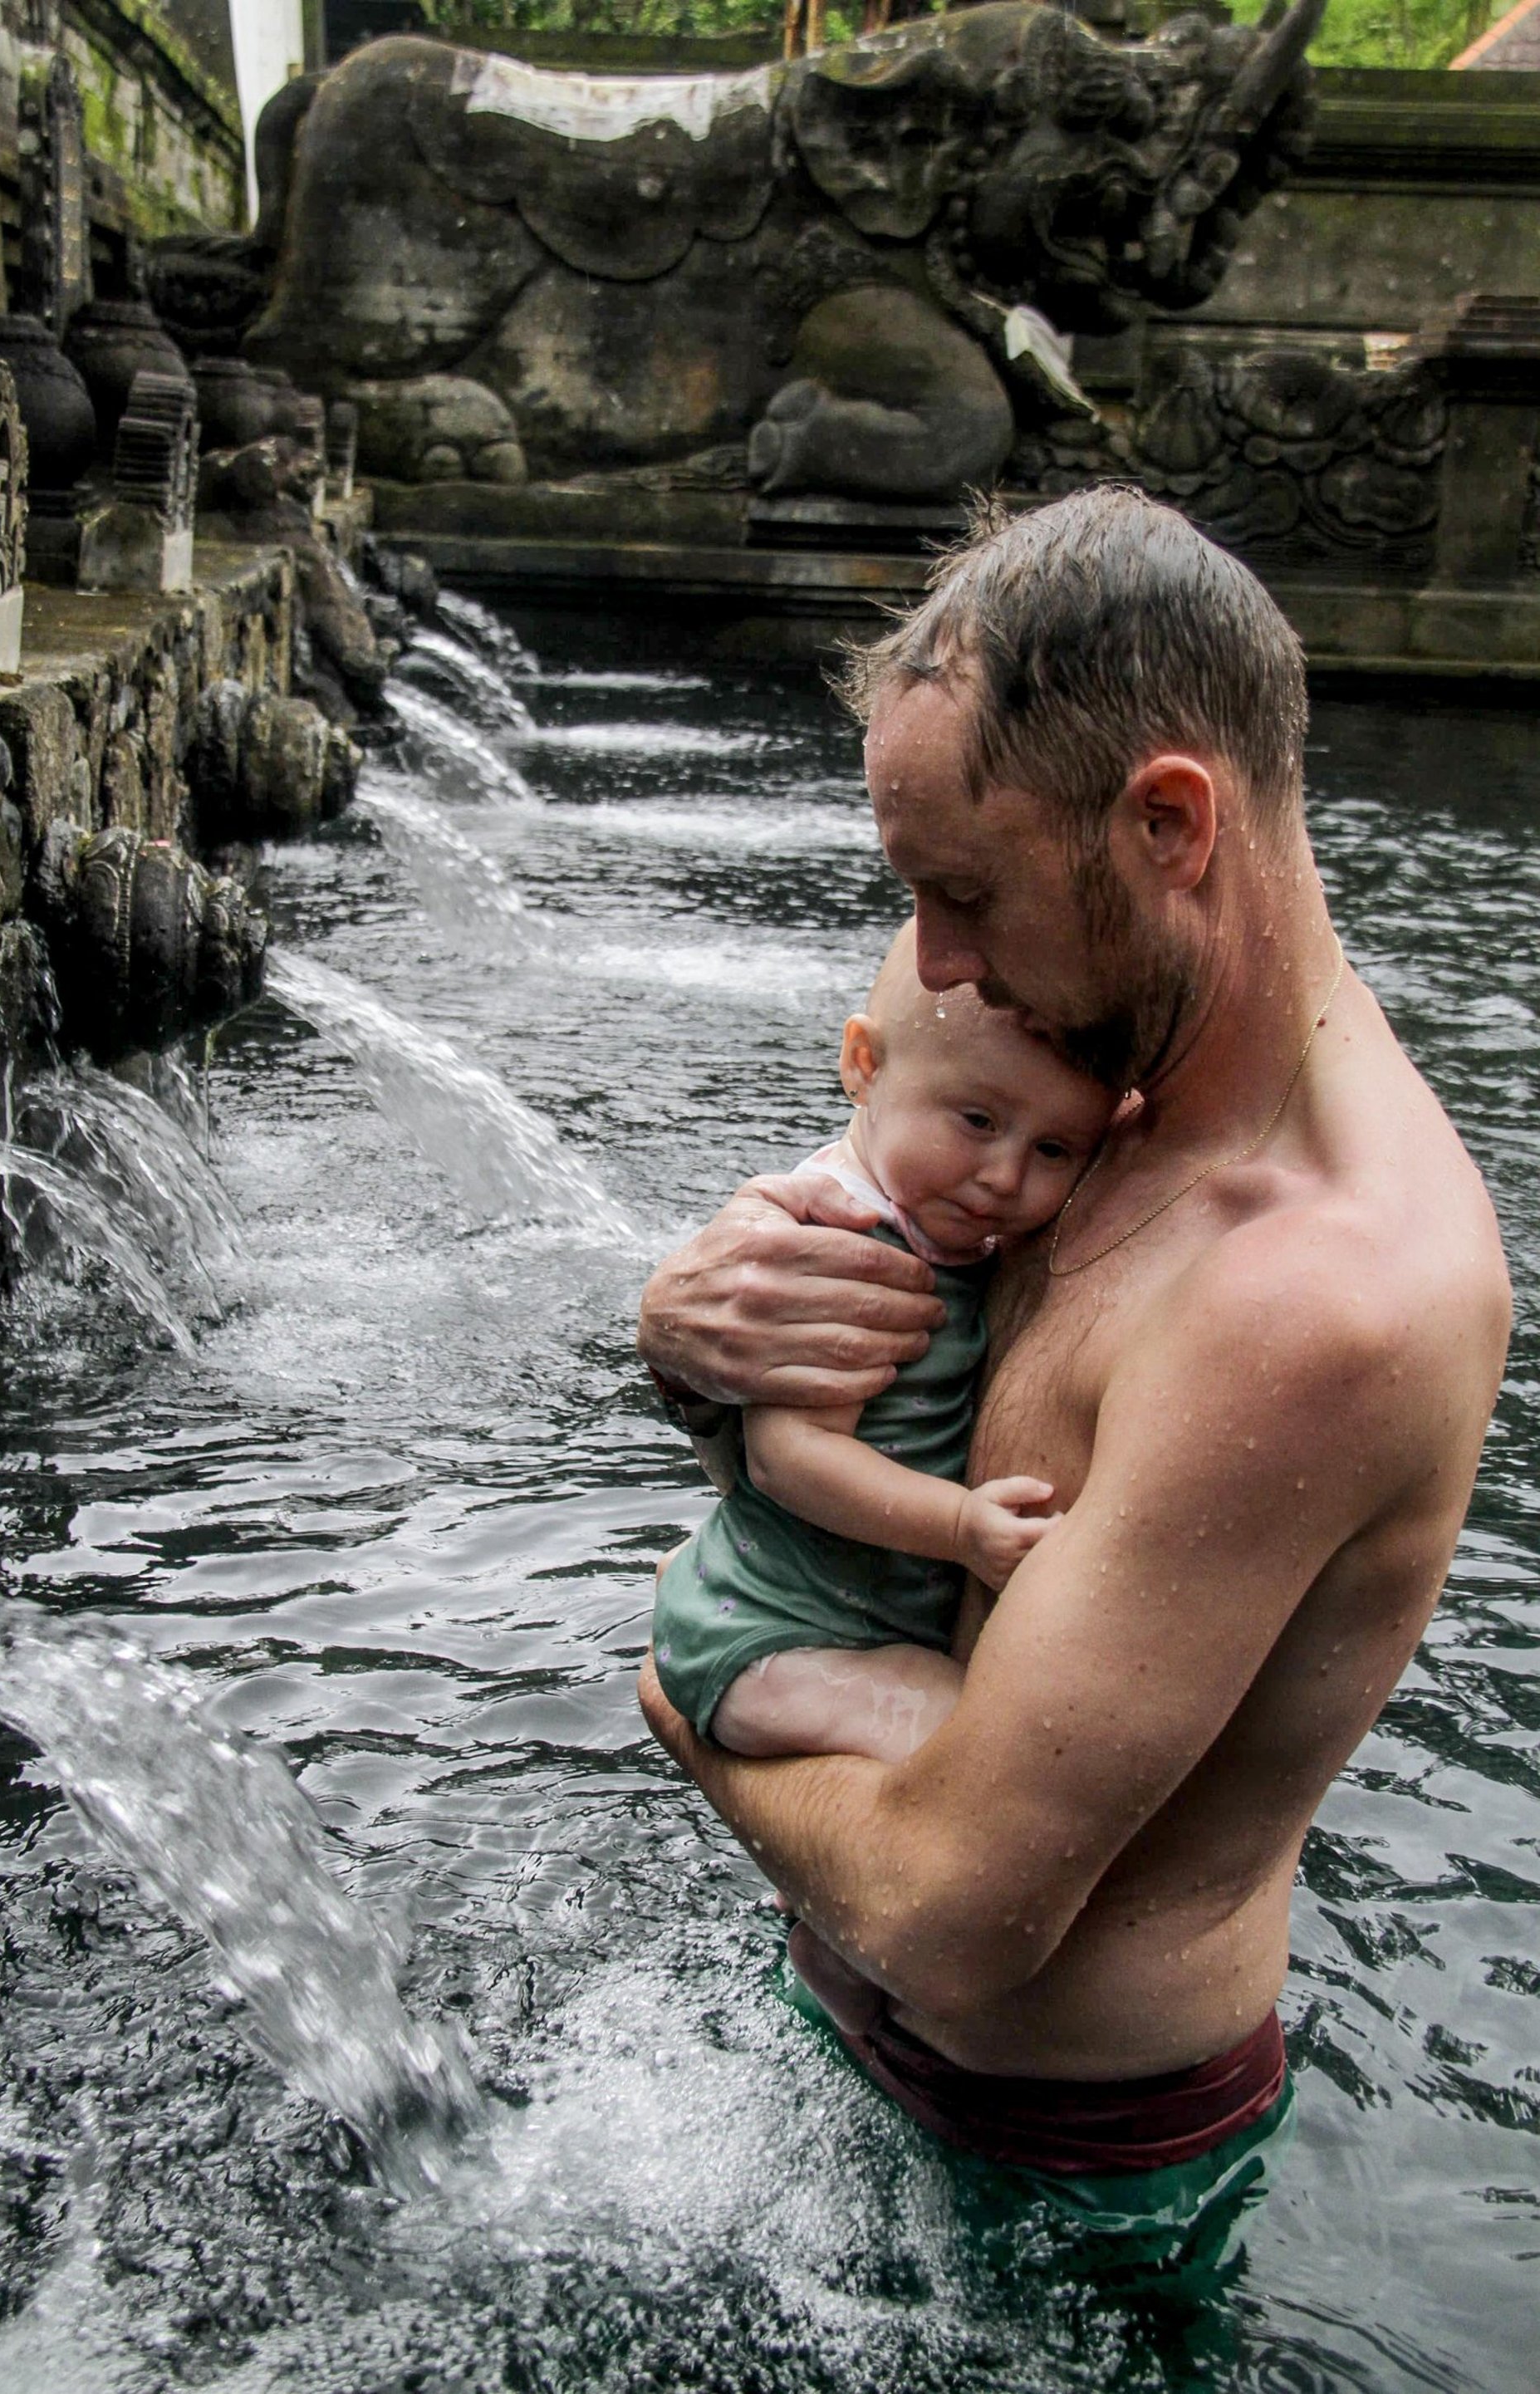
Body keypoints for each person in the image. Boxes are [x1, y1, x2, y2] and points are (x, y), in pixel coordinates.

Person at [635, 488, 1511, 2234]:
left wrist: (676, 1697)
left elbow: (961, 1915)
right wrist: (689, 1350)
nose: (939, 962)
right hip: (843, 1990)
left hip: (1068, 2179)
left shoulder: (1317, 1288)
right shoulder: (1091, 1081)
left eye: (963, 892)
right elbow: (892, 1409)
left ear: (1168, 820)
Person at [652, 919, 1116, 1765]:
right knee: (968, 1748)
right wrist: (963, 1525)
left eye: (1054, 1148)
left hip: (840, 1621)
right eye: (977, 1119)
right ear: (863, 1065)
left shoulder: (944, 1225)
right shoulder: (847, 1250)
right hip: (770, 1641)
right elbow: (786, 1459)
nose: (1006, 1176)